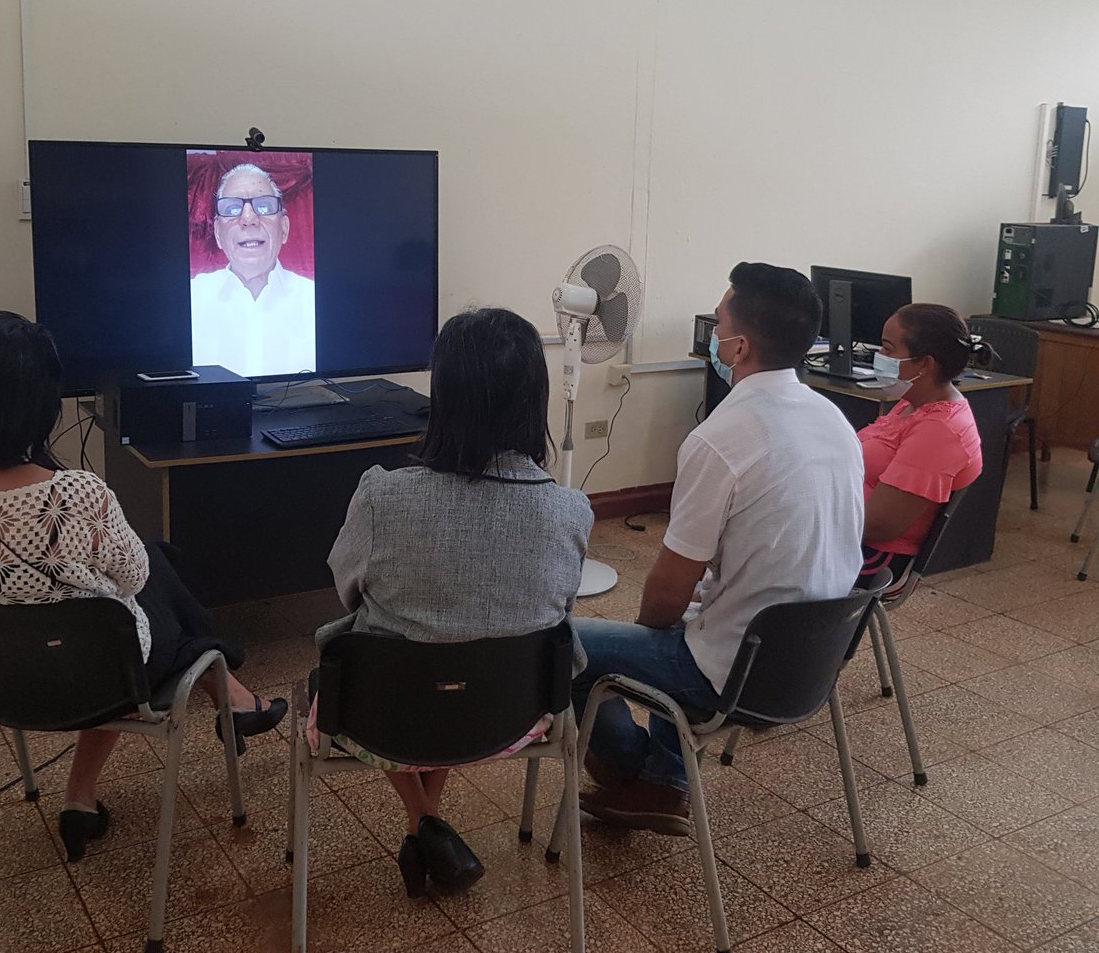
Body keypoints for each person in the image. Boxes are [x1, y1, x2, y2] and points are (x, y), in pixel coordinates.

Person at [0, 312, 287, 862]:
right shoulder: (76, 494)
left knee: (112, 607)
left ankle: (90, 792)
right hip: (94, 677)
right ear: (40, 402)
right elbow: (132, 579)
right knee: (151, 577)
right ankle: (228, 684)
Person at [572, 262, 865, 835]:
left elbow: (668, 589)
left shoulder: (720, 438)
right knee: (694, 612)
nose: (714, 337)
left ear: (738, 347)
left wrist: (655, 632)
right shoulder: (834, 420)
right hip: (812, 664)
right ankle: (661, 774)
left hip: (734, 674)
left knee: (562, 644)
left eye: (720, 324)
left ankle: (643, 776)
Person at [314, 307, 592, 897]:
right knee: (452, 656)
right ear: (534, 397)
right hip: (511, 717)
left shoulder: (382, 495)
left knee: (409, 653)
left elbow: (347, 588)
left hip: (378, 716)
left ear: (444, 394)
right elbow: (560, 605)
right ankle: (427, 824)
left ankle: (423, 823)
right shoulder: (571, 510)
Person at [858, 303, 987, 586]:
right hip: (851, 536)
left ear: (925, 364)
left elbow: (880, 524)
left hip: (875, 558)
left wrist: (812, 517)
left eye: (888, 349)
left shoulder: (939, 431)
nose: (879, 356)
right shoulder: (913, 404)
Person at [189, 162, 315, 377]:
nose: (248, 219)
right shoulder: (192, 296)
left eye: (264, 206)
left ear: (284, 229)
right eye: (232, 209)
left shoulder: (314, 298)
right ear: (218, 234)